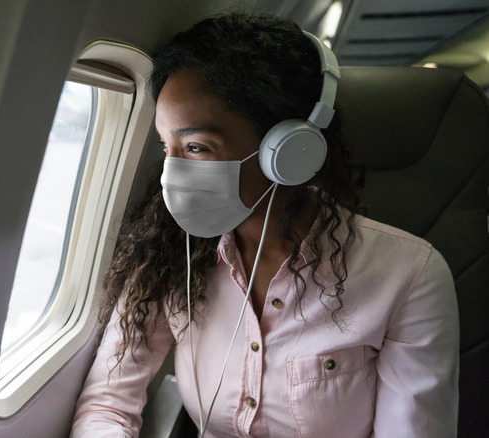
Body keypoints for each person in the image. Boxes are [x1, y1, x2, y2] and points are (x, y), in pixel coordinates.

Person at [71, 12, 459, 438]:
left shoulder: (410, 276)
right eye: (167, 146)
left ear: (289, 152)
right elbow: (107, 404)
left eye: (197, 147)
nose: (171, 174)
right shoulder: (167, 252)